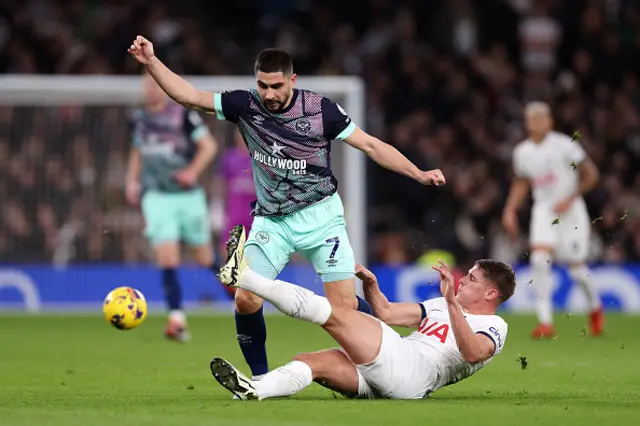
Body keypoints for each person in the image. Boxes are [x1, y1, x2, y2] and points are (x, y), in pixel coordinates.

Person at [128, 36, 446, 378]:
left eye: (276, 86)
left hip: (322, 219)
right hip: (272, 222)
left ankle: (399, 354)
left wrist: (418, 172)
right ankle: (261, 380)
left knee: (343, 309)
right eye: (262, 85)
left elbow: (370, 144)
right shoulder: (245, 106)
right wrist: (151, 62)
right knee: (246, 298)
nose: (269, 94)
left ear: (292, 80)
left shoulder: (320, 110)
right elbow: (189, 96)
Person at [209, 225, 515, 400]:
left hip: (414, 371)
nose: (463, 281)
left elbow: (474, 353)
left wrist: (450, 303)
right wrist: (372, 286)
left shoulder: (494, 325)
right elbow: (386, 313)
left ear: (491, 293)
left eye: (472, 279)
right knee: (310, 362)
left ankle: (244, 277)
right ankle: (254, 390)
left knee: (336, 315)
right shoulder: (439, 306)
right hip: (392, 373)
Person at [126, 72, 219, 342]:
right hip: (156, 196)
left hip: (188, 196)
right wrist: (131, 181)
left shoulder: (182, 115)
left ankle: (240, 298)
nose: (152, 89)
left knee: (204, 257)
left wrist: (192, 172)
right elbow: (136, 150)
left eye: (156, 84)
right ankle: (176, 320)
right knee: (167, 256)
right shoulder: (137, 119)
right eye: (147, 85)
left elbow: (209, 146)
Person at [502, 101, 603, 339]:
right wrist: (510, 209)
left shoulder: (564, 145)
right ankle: (545, 322)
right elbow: (521, 182)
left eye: (540, 118)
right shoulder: (522, 152)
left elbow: (592, 174)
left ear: (549, 121)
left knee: (577, 271)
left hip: (571, 211)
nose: (535, 122)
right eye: (531, 118)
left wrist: (572, 197)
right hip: (544, 210)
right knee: (539, 259)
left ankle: (595, 306)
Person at [217, 129, 256, 297]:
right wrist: (217, 207)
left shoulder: (260, 157)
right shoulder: (229, 158)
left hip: (257, 216)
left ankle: (253, 293)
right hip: (234, 215)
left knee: (254, 257)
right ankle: (232, 293)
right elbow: (220, 184)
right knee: (228, 255)